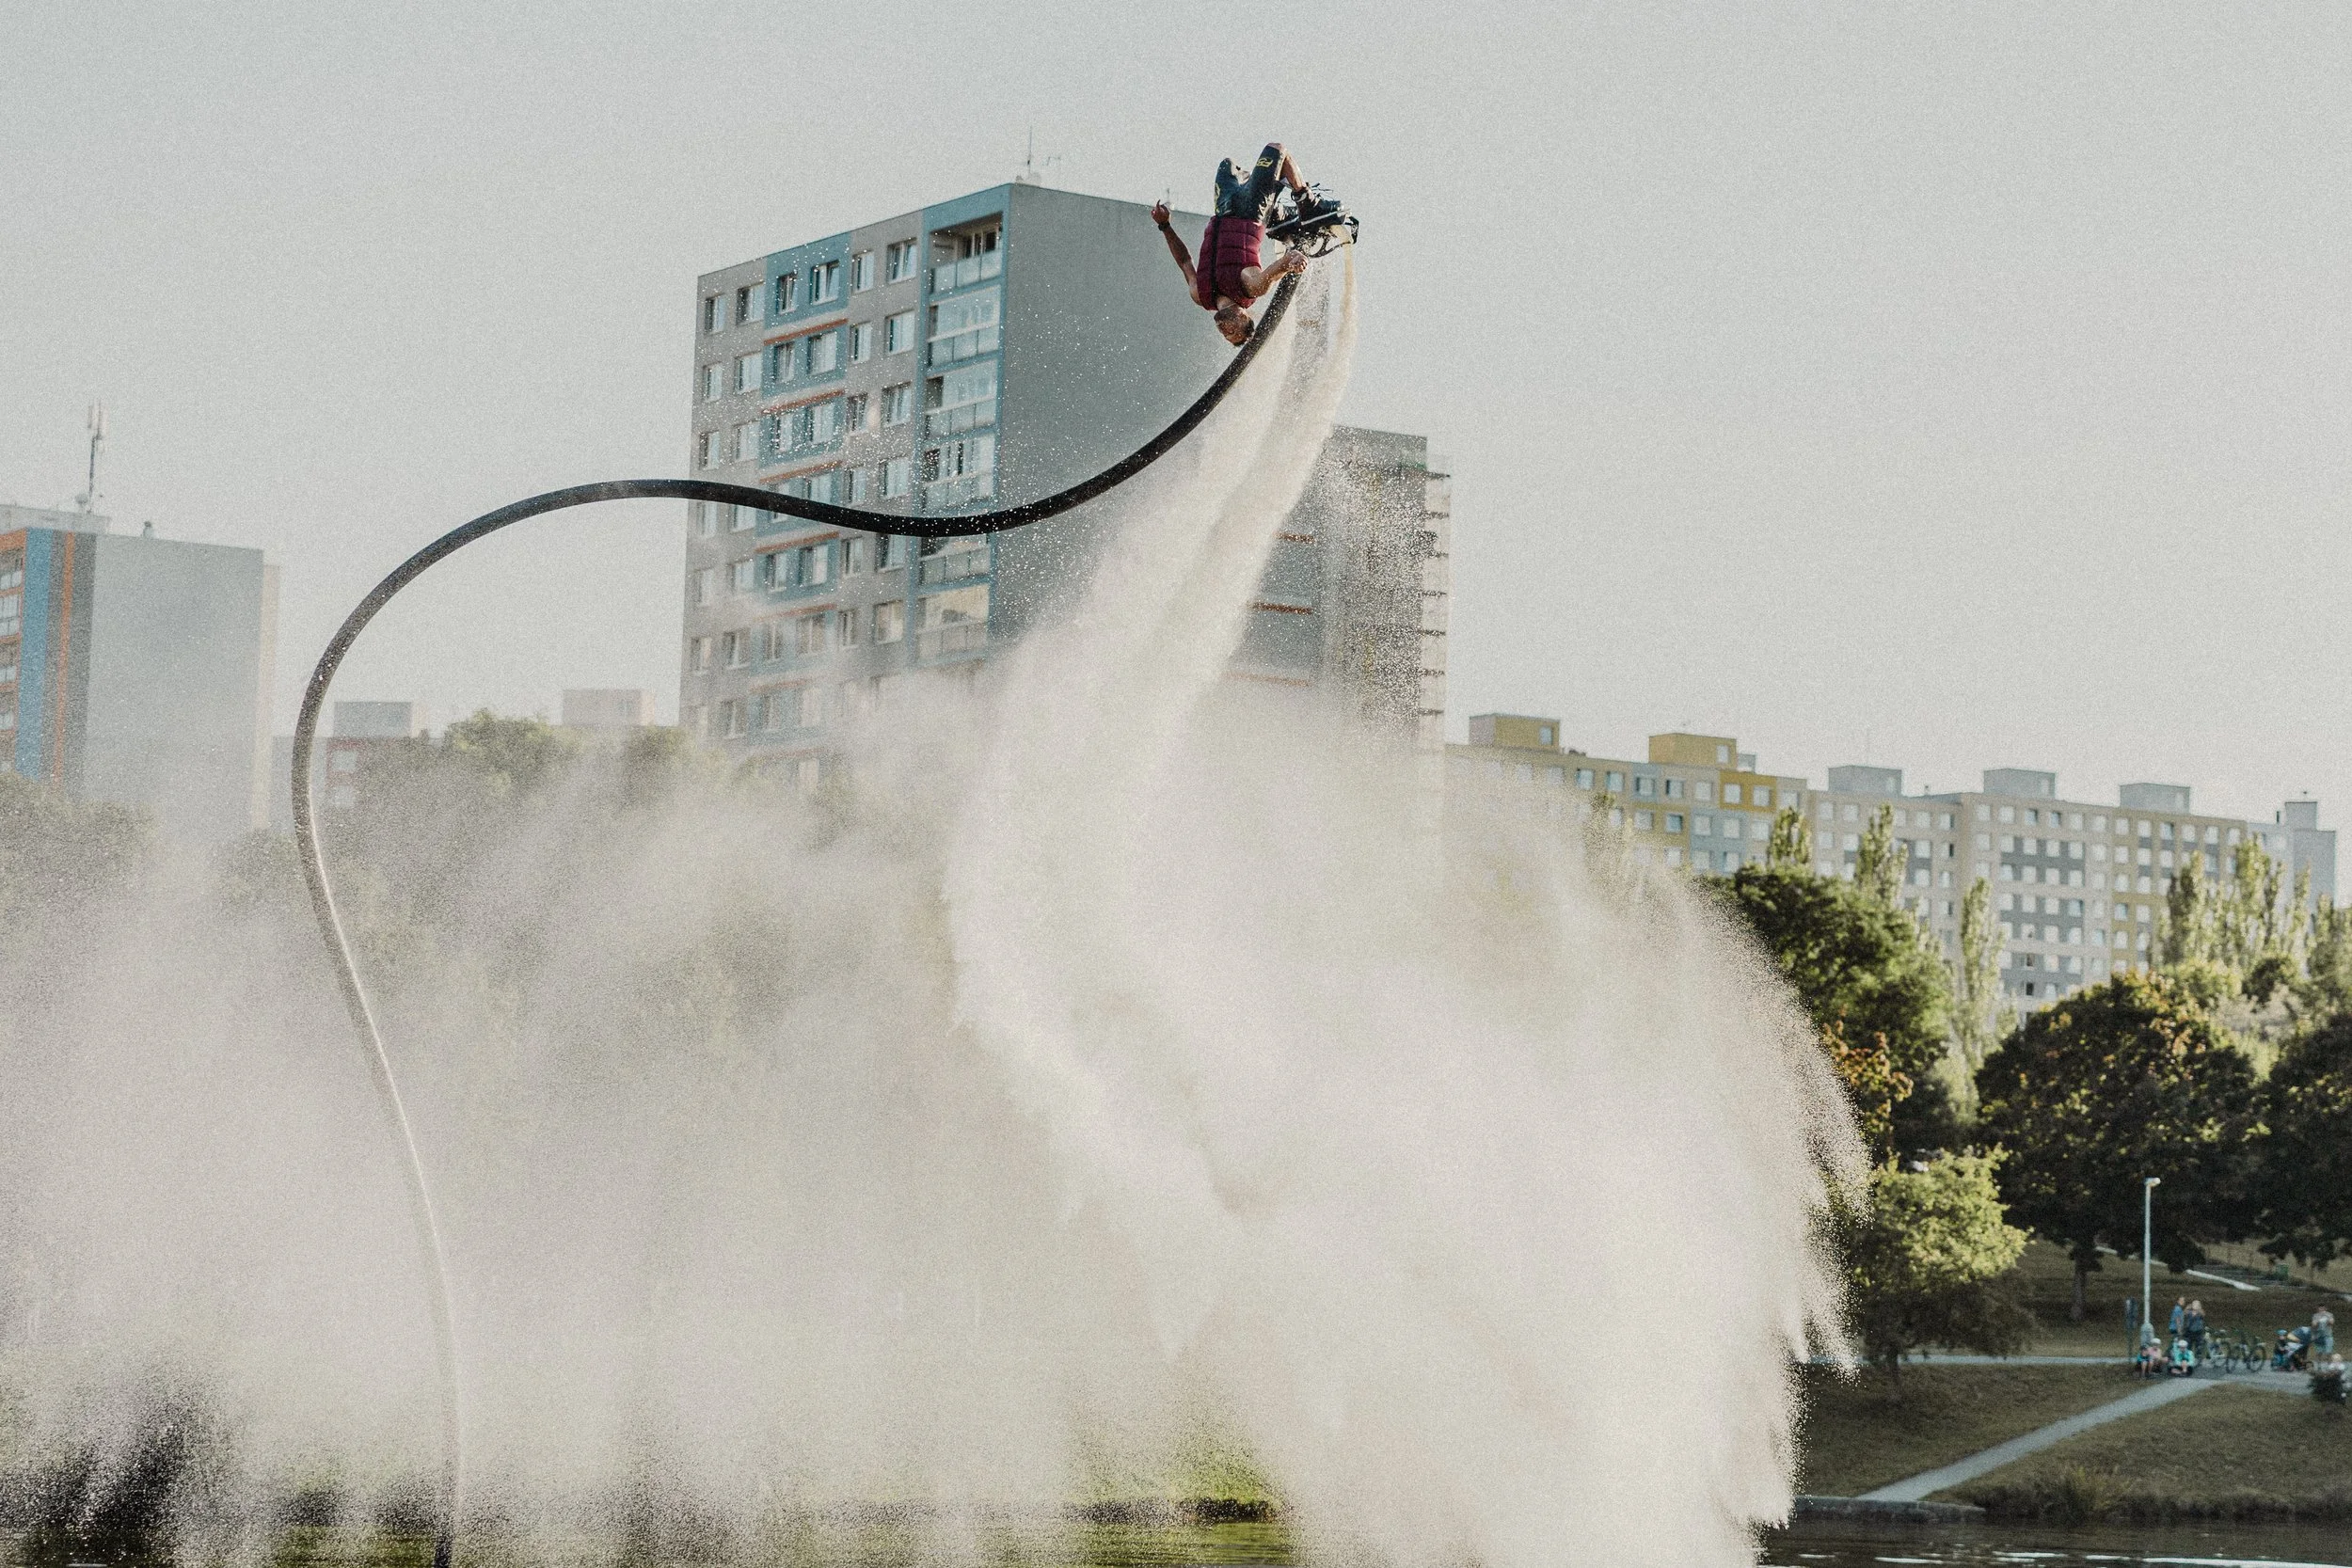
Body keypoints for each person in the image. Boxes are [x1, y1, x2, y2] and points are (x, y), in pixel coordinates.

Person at [1149, 142, 1327, 346]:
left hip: (1224, 207)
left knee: (1227, 165)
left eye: (1226, 336)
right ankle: (1307, 202)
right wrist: (1295, 259)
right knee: (1277, 150)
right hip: (1252, 209)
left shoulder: (1200, 295)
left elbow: (1184, 262)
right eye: (1234, 332)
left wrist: (1165, 226)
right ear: (1244, 316)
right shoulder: (1251, 288)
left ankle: (1271, 199)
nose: (1225, 332)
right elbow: (1279, 267)